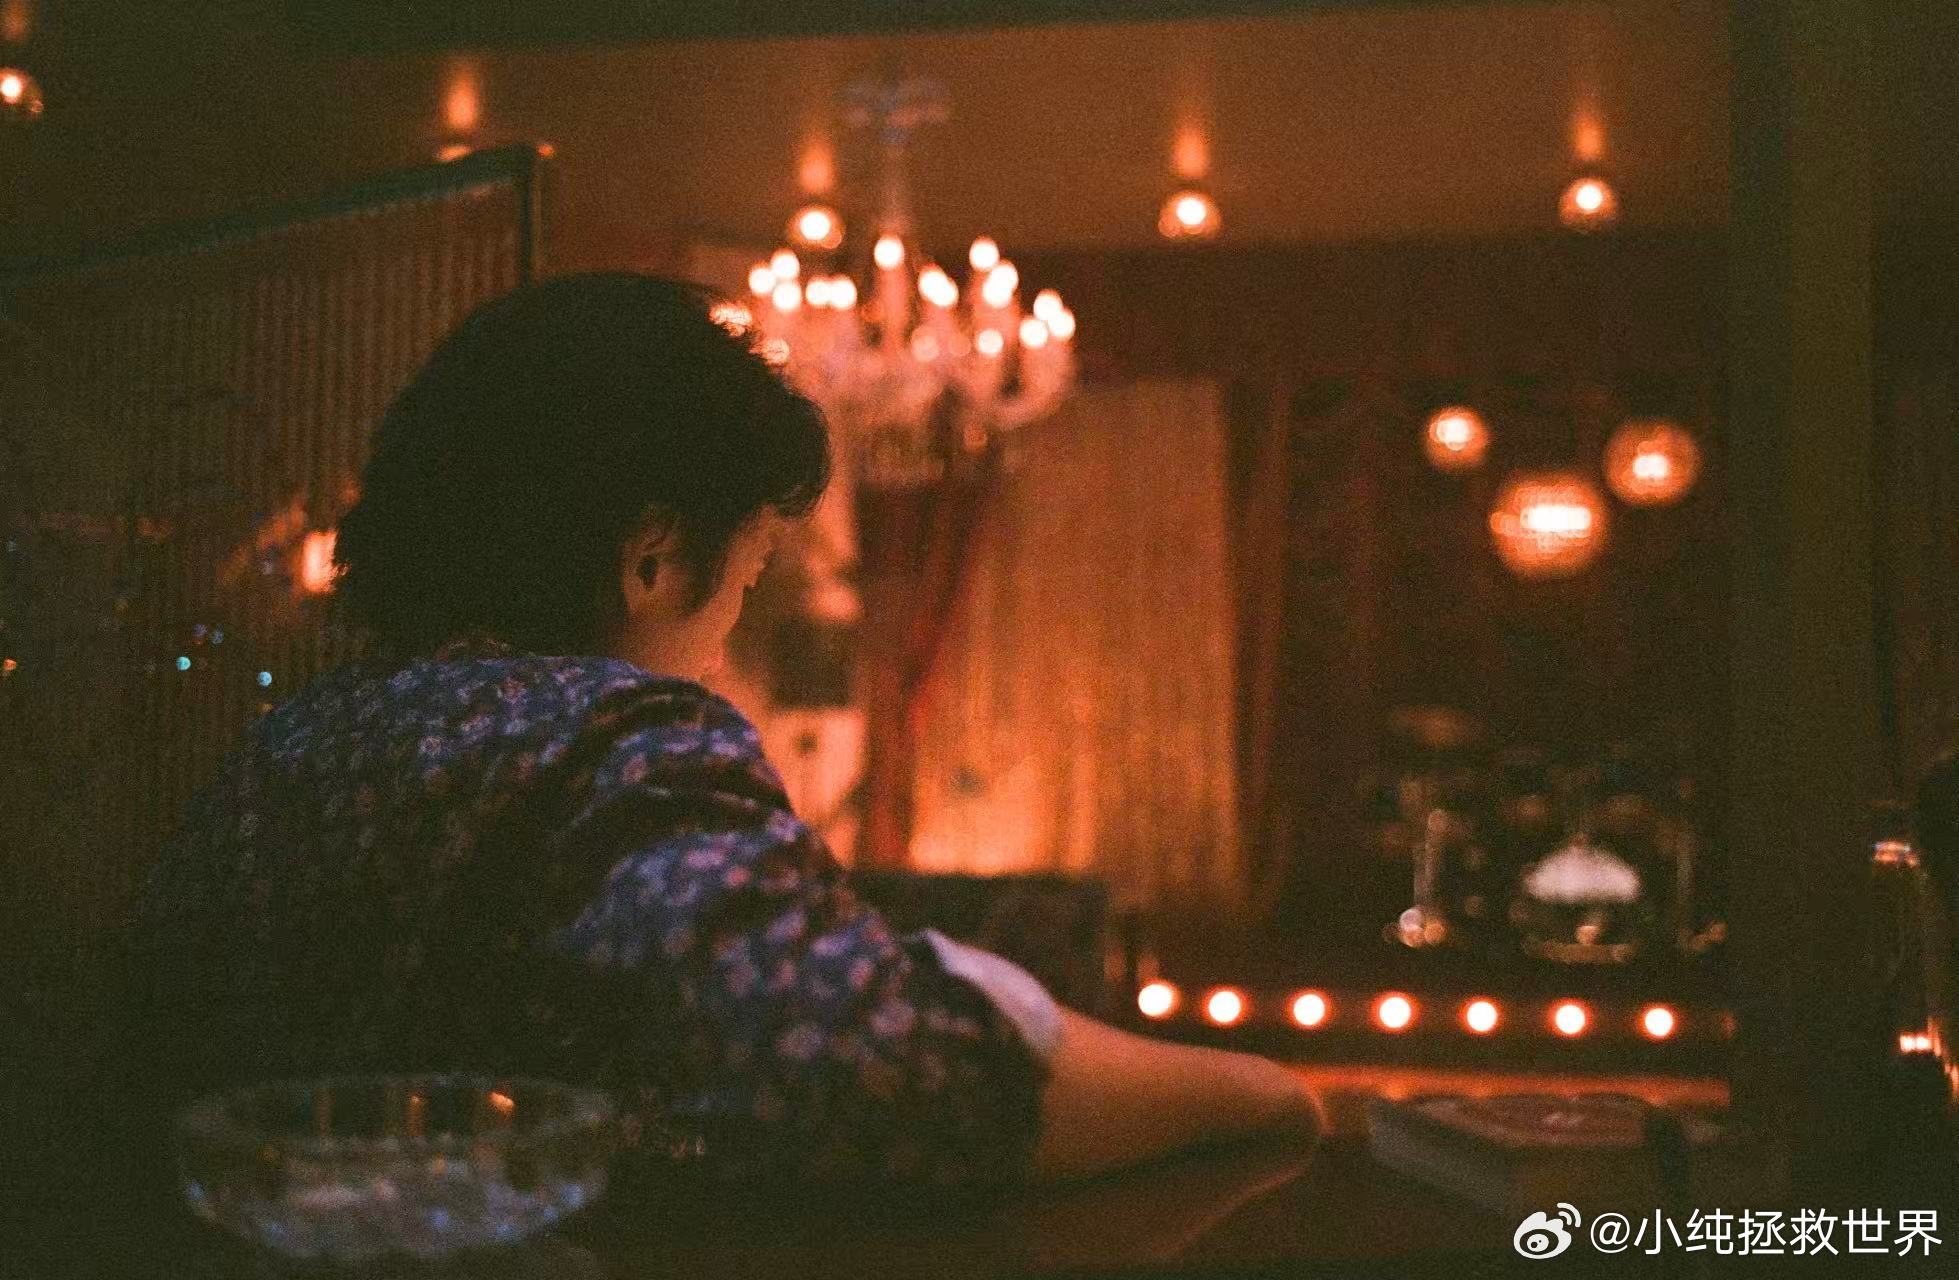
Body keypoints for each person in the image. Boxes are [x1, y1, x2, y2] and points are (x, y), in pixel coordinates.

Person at [131, 273, 1317, 1189]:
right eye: (747, 579)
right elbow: (879, 1069)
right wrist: (1253, 1091)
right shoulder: (616, 732)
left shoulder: (289, 742)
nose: (720, 640)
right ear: (654, 560)